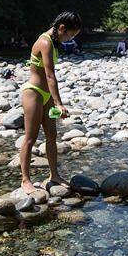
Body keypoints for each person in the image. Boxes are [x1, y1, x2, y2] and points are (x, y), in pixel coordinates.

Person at [18, 11, 81, 196]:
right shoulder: (45, 42)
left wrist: (53, 100)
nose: (70, 39)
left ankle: (54, 175)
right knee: (30, 138)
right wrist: (59, 103)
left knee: (51, 135)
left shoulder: (54, 42)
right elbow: (50, 75)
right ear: (61, 28)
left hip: (46, 96)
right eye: (70, 35)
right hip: (34, 93)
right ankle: (25, 180)